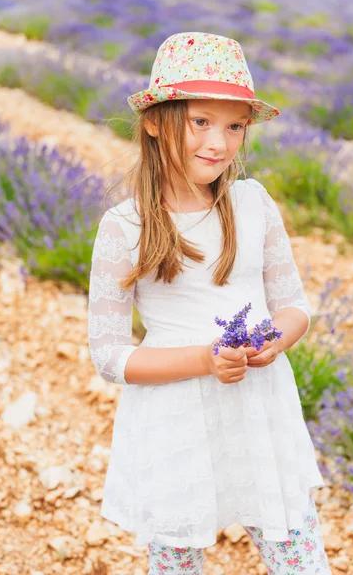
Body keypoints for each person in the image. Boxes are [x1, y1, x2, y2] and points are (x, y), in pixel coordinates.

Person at [87, 31, 332, 575]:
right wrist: (205, 359)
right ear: (155, 120)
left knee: (297, 554)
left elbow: (294, 308)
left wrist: (271, 341)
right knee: (177, 560)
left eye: (235, 126)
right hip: (174, 419)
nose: (218, 143)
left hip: (260, 408)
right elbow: (109, 356)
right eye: (201, 121)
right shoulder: (124, 227)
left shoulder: (254, 205)